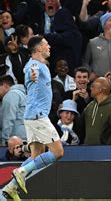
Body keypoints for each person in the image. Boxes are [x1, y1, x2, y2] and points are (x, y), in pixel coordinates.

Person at [2, 36, 64, 200]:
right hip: (37, 116)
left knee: (36, 156)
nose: (49, 46)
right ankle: (21, 172)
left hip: (31, 116)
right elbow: (31, 70)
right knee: (58, 152)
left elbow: (30, 68)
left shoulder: (36, 64)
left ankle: (8, 190)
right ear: (38, 49)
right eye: (46, 44)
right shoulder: (35, 65)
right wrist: (33, 74)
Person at [0, 74, 26, 144]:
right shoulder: (22, 94)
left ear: (5, 85)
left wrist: (4, 141)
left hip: (15, 141)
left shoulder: (10, 95)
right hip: (25, 137)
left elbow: (8, 120)